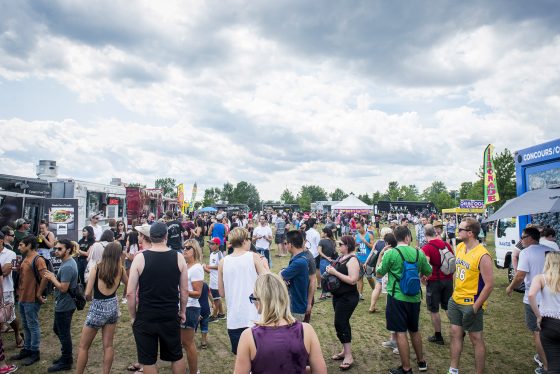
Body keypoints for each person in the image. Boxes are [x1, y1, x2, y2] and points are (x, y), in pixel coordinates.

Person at [234, 273, 327, 374]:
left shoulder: (249, 336)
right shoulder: (306, 330)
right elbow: (320, 371)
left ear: (260, 301)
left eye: (253, 298)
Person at [127, 222, 189, 374]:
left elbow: (130, 292)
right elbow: (185, 290)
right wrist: (182, 312)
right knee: (176, 355)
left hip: (146, 315)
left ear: (150, 237)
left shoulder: (140, 258)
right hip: (170, 314)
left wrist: (133, 316)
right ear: (166, 236)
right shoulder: (178, 257)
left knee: (148, 360)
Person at [376, 226, 432, 374]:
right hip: (414, 298)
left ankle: (406, 368)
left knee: (400, 332)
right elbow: (428, 271)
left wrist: (381, 256)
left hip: (396, 297)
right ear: (408, 237)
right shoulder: (418, 253)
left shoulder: (391, 253)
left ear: (395, 237)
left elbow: (379, 273)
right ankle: (421, 362)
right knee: (414, 330)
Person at [506, 226, 558, 373]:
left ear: (530, 238)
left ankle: (546, 366)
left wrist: (510, 288)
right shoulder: (551, 250)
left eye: (522, 237)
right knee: (552, 330)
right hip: (554, 298)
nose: (521, 241)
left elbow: (520, 276)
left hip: (534, 298)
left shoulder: (526, 253)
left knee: (538, 332)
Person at [448, 217, 494, 374]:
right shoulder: (460, 247)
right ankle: (453, 369)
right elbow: (457, 270)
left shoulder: (483, 255)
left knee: (476, 339)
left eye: (460, 229)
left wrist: (474, 308)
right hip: (456, 300)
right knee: (455, 334)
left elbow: (489, 285)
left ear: (470, 233)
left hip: (471, 303)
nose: (457, 231)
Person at [76, 242, 128, 374]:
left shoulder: (97, 268)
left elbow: (87, 293)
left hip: (98, 307)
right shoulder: (121, 269)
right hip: (113, 307)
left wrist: (89, 300)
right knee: (108, 345)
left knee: (83, 347)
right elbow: (129, 284)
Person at [218, 227, 269, 355]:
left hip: (234, 319)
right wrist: (265, 265)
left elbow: (221, 293)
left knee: (242, 359)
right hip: (254, 316)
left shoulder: (223, 262)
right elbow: (268, 280)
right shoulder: (253, 257)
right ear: (245, 240)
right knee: (258, 357)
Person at [10, 235, 48, 366]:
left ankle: (34, 352)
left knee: (32, 325)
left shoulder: (38, 259)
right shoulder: (26, 257)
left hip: (31, 298)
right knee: (26, 325)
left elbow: (45, 277)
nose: (19, 247)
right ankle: (27, 348)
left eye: (21, 245)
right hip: (22, 297)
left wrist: (38, 294)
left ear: (29, 245)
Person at [42, 239, 78, 372]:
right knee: (58, 329)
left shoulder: (68, 265)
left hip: (65, 304)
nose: (56, 251)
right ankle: (66, 356)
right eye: (56, 248)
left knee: (63, 332)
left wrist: (52, 277)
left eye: (59, 249)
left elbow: (63, 288)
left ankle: (66, 360)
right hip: (64, 303)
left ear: (68, 250)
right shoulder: (67, 262)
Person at [325, 235, 360, 370]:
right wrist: (331, 271)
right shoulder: (341, 258)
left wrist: (335, 272)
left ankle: (349, 356)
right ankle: (345, 351)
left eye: (341, 244)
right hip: (338, 296)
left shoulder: (353, 260)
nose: (338, 246)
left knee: (340, 323)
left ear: (347, 246)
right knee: (342, 323)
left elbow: (353, 280)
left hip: (348, 297)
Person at [421, 224, 454, 346]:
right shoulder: (446, 245)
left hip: (434, 281)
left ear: (425, 235)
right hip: (448, 280)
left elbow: (426, 266)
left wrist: (422, 278)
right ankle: (458, 330)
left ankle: (438, 336)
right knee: (448, 307)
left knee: (434, 309)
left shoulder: (427, 248)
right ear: (435, 233)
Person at [528, 252, 560, 374]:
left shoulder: (541, 278)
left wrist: (538, 316)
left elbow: (531, 295)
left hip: (549, 323)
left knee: (553, 361)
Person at [181, 239, 204, 374]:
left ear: (194, 250)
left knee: (188, 344)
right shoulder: (185, 265)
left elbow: (198, 293)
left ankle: (194, 372)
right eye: (184, 247)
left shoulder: (196, 268)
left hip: (190, 308)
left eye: (188, 247)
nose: (185, 249)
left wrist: (182, 291)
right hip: (182, 307)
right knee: (183, 343)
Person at [281, 230, 310, 321]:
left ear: (291, 244)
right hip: (294, 305)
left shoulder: (299, 262)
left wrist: (282, 273)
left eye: (286, 243)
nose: (285, 246)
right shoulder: (299, 258)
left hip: (296, 308)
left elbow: (280, 276)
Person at [0, 232, 22, 349]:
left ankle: (17, 333)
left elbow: (5, 272)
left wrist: (3, 270)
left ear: (1, 241)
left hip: (6, 290)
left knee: (10, 316)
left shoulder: (10, 253)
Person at [365, 227, 393, 313]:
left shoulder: (377, 242)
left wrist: (366, 262)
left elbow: (371, 253)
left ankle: (372, 307)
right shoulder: (389, 244)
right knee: (388, 289)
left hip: (378, 268)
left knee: (377, 288)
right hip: (387, 268)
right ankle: (389, 308)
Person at [204, 238, 224, 322]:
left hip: (217, 280)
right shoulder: (212, 254)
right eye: (210, 244)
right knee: (217, 297)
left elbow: (221, 266)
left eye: (212, 244)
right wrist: (206, 269)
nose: (210, 245)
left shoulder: (219, 254)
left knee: (215, 298)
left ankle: (214, 316)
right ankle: (221, 314)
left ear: (217, 245)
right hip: (213, 279)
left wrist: (209, 266)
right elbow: (212, 270)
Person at [355, 220, 374, 300]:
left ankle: (375, 290)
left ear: (363, 227)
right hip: (359, 259)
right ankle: (360, 294)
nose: (358, 229)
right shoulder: (356, 236)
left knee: (369, 277)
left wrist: (365, 242)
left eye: (359, 228)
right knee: (359, 278)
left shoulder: (369, 235)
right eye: (357, 228)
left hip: (368, 260)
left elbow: (372, 247)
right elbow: (356, 248)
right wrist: (357, 249)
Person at [317, 227, 337, 300]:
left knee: (323, 277)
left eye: (322, 232)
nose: (321, 233)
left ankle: (323, 294)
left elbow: (319, 251)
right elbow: (335, 251)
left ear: (325, 234)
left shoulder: (322, 241)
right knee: (330, 277)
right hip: (332, 261)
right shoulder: (333, 241)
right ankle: (330, 292)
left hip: (324, 261)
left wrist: (326, 257)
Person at [305, 219, 321, 293]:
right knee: (316, 269)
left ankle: (309, 284)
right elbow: (318, 244)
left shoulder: (306, 232)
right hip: (315, 253)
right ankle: (318, 284)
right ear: (314, 224)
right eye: (316, 223)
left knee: (308, 270)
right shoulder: (316, 233)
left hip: (307, 253)